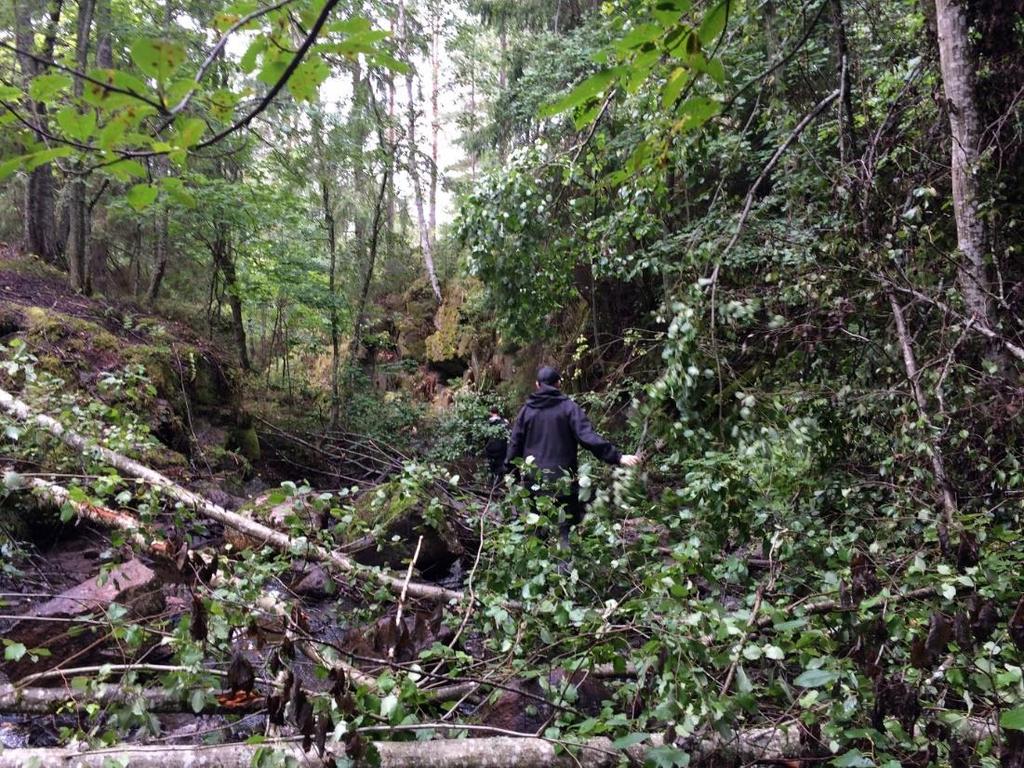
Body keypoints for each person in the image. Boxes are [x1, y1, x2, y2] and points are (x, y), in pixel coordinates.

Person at [504, 366, 641, 548]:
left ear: (537, 385)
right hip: (564, 481)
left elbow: (515, 444)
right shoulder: (569, 408)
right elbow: (588, 437)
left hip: (534, 481)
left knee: (537, 529)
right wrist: (617, 457)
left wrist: (509, 473)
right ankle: (565, 569)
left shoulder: (526, 411)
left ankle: (540, 569)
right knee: (565, 530)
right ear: (559, 384)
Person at [483, 406, 509, 485]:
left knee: (492, 466)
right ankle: (498, 481)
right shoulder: (504, 422)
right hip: (501, 449)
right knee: (500, 465)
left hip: (490, 449)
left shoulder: (487, 423)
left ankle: (492, 481)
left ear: (491, 413)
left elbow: (485, 437)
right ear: (498, 412)